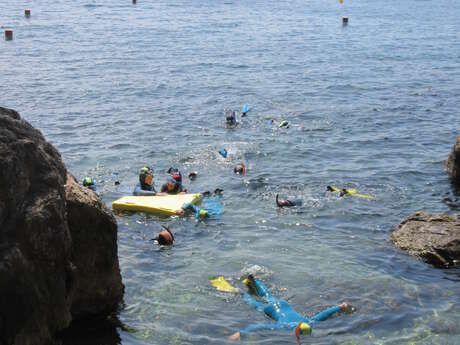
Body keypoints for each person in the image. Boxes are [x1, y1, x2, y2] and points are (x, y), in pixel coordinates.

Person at [228, 275, 351, 342]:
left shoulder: (309, 321)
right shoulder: (284, 326)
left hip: (283, 304)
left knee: (268, 295)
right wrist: (241, 333)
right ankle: (240, 292)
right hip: (270, 310)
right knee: (254, 304)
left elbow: (324, 314)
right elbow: (259, 326)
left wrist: (339, 307)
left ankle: (254, 281)